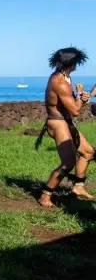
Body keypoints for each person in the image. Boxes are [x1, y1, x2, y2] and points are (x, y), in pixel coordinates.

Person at [35, 47, 94, 208]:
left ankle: (78, 187)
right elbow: (75, 111)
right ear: (73, 63)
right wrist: (82, 97)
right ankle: (45, 195)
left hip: (64, 121)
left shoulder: (65, 77)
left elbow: (69, 104)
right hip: (58, 123)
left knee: (87, 152)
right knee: (68, 163)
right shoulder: (60, 82)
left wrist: (80, 95)